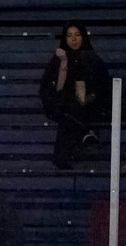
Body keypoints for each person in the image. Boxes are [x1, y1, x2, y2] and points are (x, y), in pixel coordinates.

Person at [41, 24, 111, 169]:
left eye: (77, 35)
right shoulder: (58, 59)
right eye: (69, 36)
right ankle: (85, 132)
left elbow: (103, 86)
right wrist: (64, 62)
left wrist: (90, 97)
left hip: (88, 105)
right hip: (63, 105)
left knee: (70, 111)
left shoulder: (92, 59)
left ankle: (69, 149)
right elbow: (55, 88)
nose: (73, 40)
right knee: (67, 106)